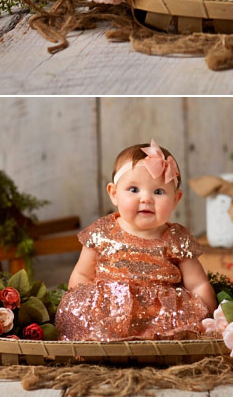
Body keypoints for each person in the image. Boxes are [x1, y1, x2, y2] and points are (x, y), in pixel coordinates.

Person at [55, 141, 216, 341]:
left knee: (176, 334)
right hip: (109, 314)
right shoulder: (102, 231)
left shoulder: (176, 238)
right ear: (114, 194)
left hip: (162, 317)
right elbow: (82, 274)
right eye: (134, 189)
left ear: (176, 199)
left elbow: (198, 284)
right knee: (93, 329)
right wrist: (78, 309)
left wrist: (211, 318)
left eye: (158, 192)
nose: (146, 199)